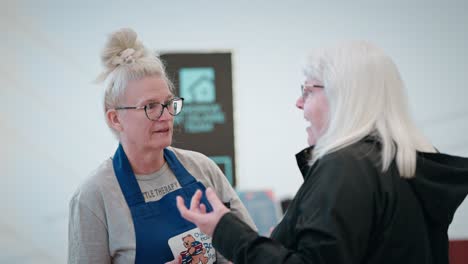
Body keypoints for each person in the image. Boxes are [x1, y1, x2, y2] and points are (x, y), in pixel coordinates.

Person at [176, 41, 468, 264]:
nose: (299, 103)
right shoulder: (405, 165)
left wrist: (225, 229)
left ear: (344, 96)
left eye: (308, 91)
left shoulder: (347, 166)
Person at [67, 28, 255, 264]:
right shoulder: (94, 197)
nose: (165, 115)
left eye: (168, 103)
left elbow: (251, 254)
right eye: (150, 106)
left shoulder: (203, 169)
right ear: (115, 119)